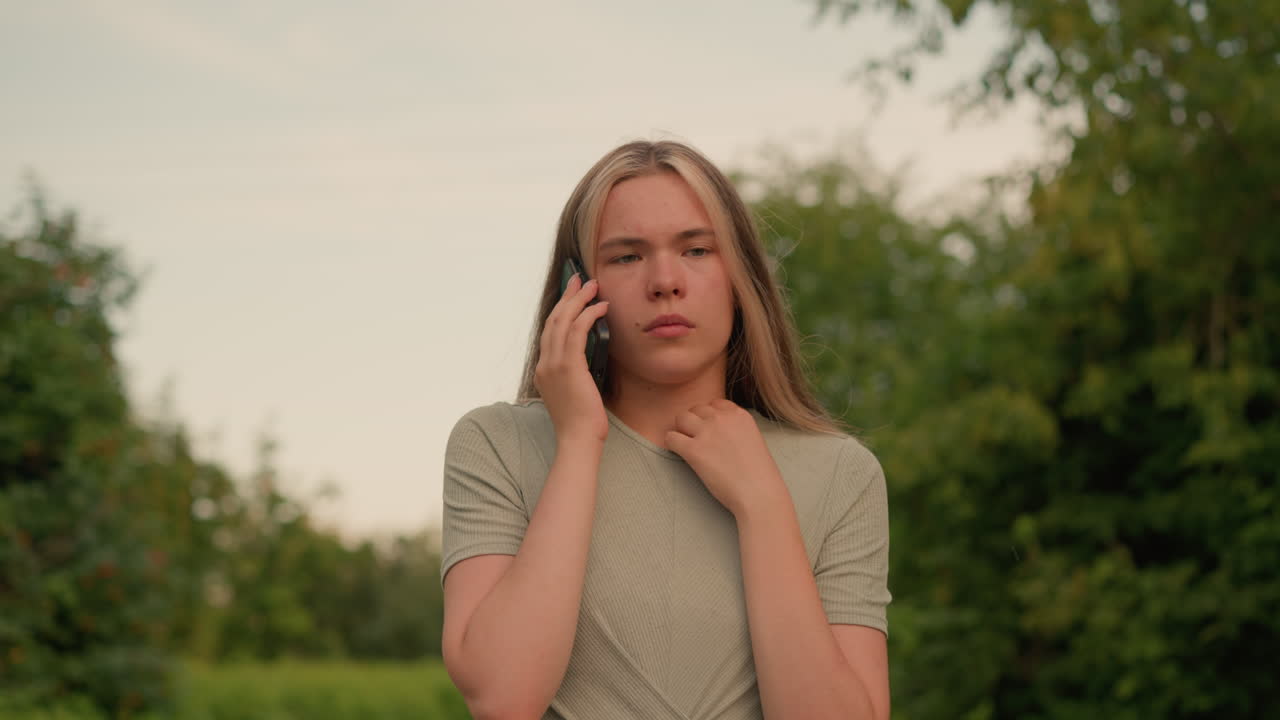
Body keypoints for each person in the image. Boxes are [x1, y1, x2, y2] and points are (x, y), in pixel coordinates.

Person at [439, 139, 891, 720]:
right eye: (627, 257)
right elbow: (503, 698)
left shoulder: (842, 475)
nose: (665, 281)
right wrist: (578, 443)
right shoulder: (497, 445)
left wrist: (764, 507)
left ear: (740, 277)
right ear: (576, 290)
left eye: (697, 249)